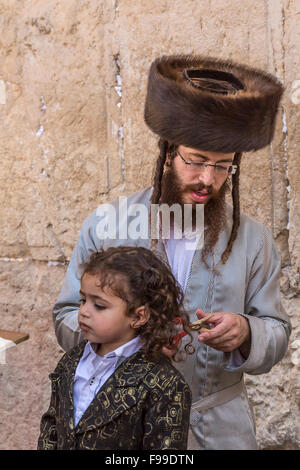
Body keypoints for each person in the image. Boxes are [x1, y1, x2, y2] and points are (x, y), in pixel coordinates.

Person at [52, 55, 291, 450]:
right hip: (123, 428)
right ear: (167, 154)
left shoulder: (255, 240)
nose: (207, 179)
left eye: (222, 167)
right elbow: (65, 318)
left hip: (217, 433)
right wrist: (125, 339)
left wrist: (246, 333)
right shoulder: (105, 225)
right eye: (195, 161)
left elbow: (277, 333)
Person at [38, 246, 193, 450]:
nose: (83, 311)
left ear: (138, 316)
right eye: (83, 300)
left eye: (99, 305)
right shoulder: (71, 361)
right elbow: (51, 427)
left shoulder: (165, 385)